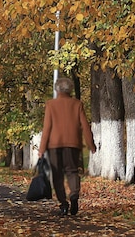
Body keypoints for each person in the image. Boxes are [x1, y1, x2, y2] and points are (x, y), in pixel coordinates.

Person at [39, 77, 96, 217]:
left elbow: (47, 128)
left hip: (54, 146)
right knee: (72, 171)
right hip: (73, 144)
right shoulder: (77, 104)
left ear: (56, 89)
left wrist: (41, 149)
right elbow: (85, 126)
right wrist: (91, 144)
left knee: (57, 175)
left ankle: (63, 204)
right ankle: (74, 195)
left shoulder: (51, 105)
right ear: (69, 89)